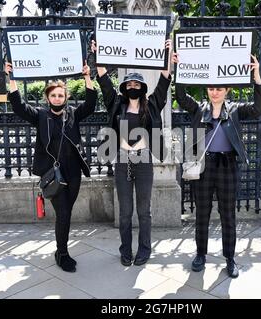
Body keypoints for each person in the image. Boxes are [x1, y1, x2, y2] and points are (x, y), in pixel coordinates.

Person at [173, 53, 261, 278]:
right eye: (211, 88)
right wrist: (179, 70)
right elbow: (181, 96)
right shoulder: (199, 109)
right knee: (202, 213)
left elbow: (259, 108)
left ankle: (230, 258)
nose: (215, 92)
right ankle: (200, 255)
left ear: (227, 91)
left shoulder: (235, 110)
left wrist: (257, 76)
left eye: (220, 88)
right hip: (204, 167)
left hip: (228, 166)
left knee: (228, 215)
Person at [5, 61, 97, 273]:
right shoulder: (41, 116)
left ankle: (61, 250)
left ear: (66, 98)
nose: (57, 99)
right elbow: (19, 107)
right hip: (52, 174)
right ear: (48, 98)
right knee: (63, 212)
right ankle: (62, 253)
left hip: (73, 172)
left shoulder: (73, 114)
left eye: (61, 95)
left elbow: (91, 105)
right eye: (54, 95)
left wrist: (87, 77)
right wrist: (12, 78)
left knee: (67, 212)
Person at [92, 39, 173, 266]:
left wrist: (168, 52)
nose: (133, 87)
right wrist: (99, 55)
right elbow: (104, 82)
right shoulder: (117, 105)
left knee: (144, 211)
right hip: (123, 160)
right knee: (125, 211)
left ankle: (144, 250)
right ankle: (125, 250)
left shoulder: (152, 105)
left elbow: (165, 80)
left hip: (144, 160)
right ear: (125, 88)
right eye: (130, 85)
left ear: (142, 88)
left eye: (137, 85)